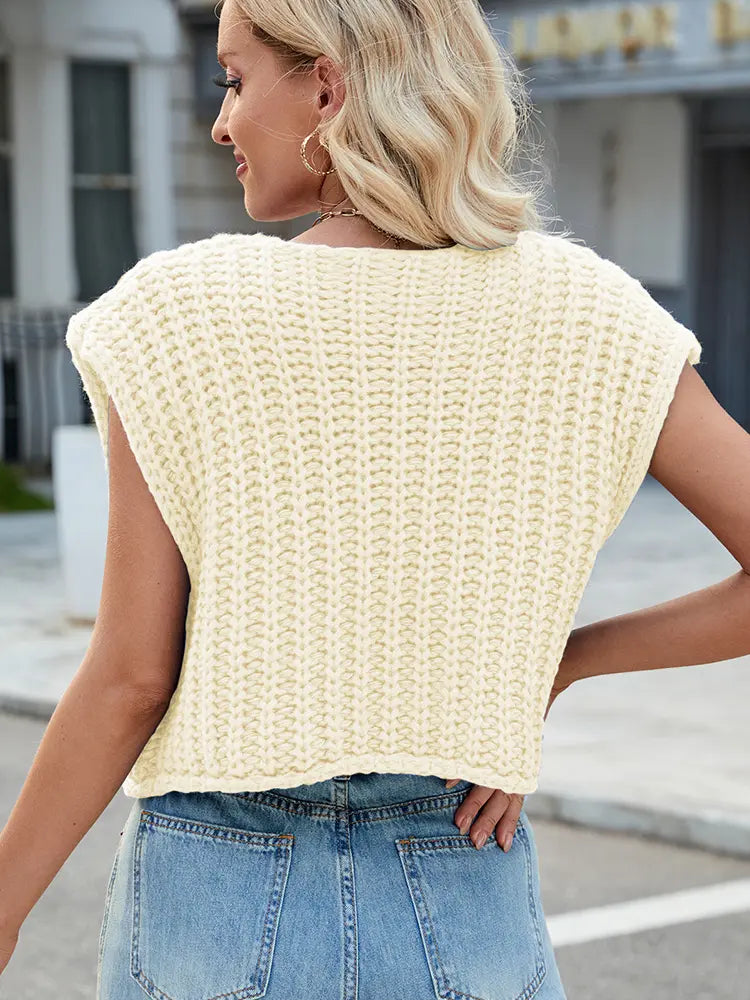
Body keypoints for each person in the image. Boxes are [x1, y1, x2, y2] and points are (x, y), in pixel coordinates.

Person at [1, 0, 749, 996]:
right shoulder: (591, 312)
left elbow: (133, 678)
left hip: (215, 888)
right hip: (461, 870)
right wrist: (558, 665)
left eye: (233, 80)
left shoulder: (181, 315)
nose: (220, 123)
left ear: (327, 87)